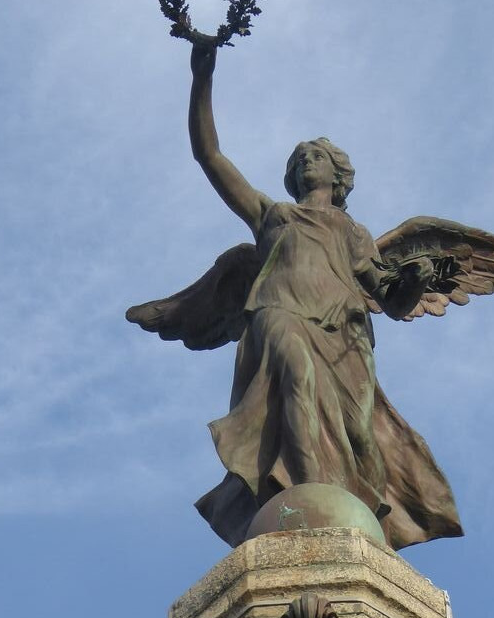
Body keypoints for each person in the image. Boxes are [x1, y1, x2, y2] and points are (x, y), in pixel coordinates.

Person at [182, 44, 463, 548]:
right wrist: (202, 75)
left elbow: (394, 303)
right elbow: (210, 156)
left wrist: (417, 278)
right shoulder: (274, 217)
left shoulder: (353, 234)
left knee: (358, 438)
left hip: (345, 336)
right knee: (294, 374)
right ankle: (308, 496)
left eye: (317, 155)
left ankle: (354, 505)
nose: (307, 160)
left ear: (339, 176)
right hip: (279, 315)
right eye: (300, 158)